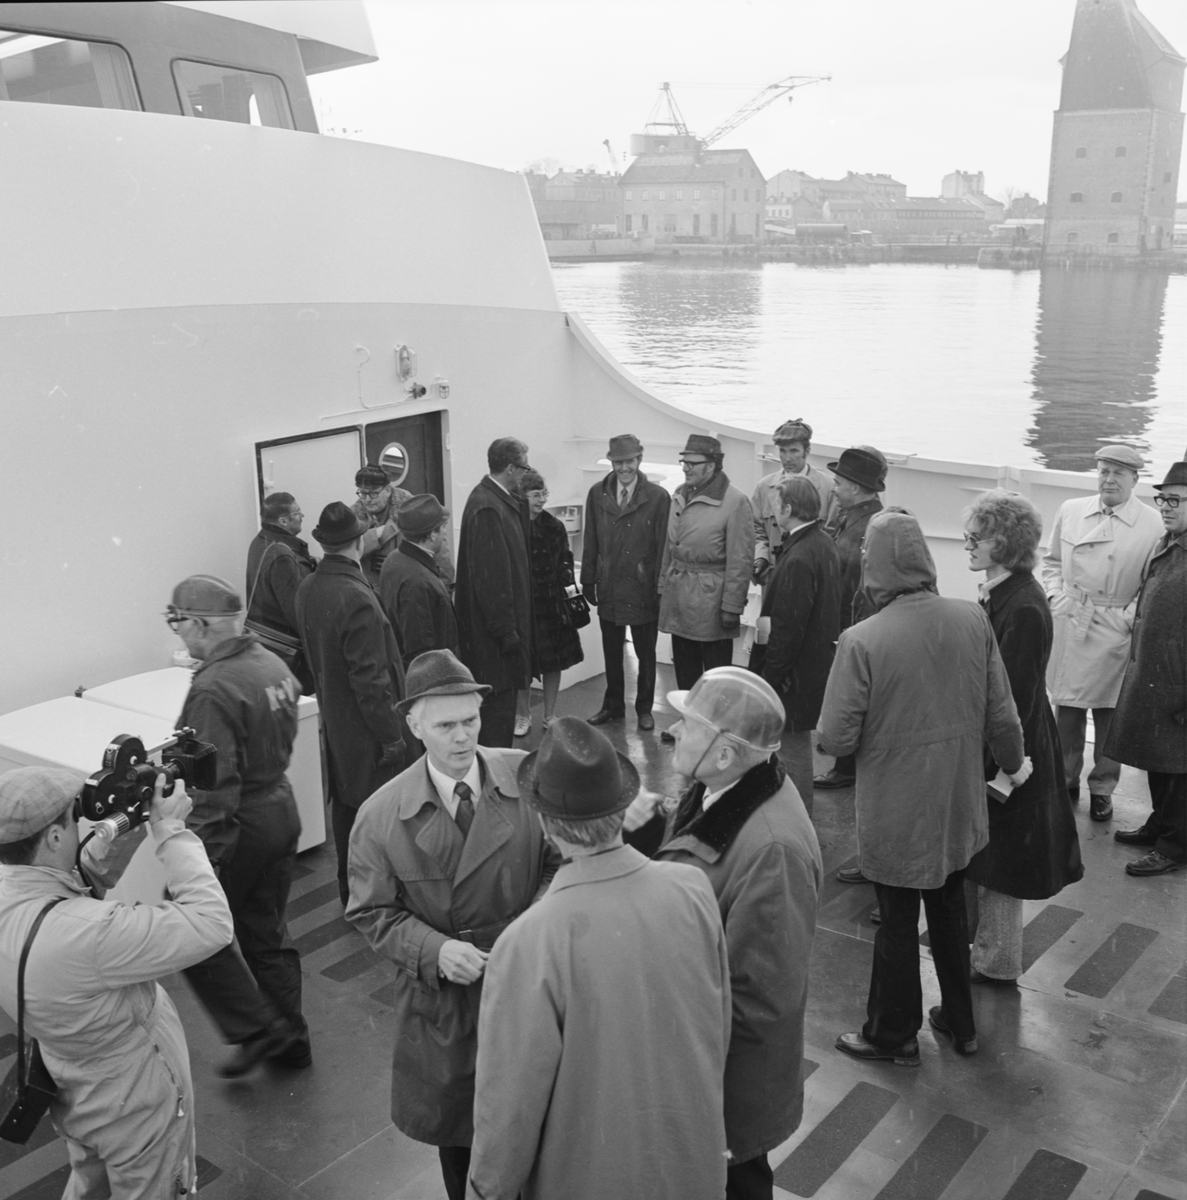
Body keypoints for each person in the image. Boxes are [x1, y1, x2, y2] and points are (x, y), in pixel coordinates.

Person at [466, 718, 731, 1200]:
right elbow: (717, 1028)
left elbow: (510, 1105)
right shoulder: (692, 888)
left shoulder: (529, 941)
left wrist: (486, 1191)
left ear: (545, 824)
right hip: (692, 1167)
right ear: (624, 807)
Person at [346, 650, 561, 1200]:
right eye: (445, 726)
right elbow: (371, 911)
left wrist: (532, 925)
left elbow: (560, 860)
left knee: (540, 1125)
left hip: (527, 982)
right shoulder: (379, 816)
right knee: (462, 1137)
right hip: (445, 1002)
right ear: (414, 726)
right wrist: (435, 951)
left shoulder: (527, 775)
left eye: (471, 720)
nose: (463, 737)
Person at [819, 511, 1027, 1066]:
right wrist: (1013, 766)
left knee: (896, 921)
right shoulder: (972, 618)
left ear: (875, 566)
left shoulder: (861, 640)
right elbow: (1003, 715)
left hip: (896, 809)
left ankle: (893, 1036)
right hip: (958, 801)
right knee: (950, 911)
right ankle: (962, 1025)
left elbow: (836, 738)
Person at [0, 766, 233, 1197]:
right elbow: (211, 923)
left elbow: (66, 887)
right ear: (55, 838)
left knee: (91, 1179)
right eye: (72, 819)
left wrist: (131, 822)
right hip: (132, 1098)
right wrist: (171, 831)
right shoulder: (88, 934)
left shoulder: (12, 889)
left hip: (72, 1081)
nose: (80, 823)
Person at [645, 667, 822, 1200]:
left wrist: (682, 1078)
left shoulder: (773, 852)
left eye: (688, 724)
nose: (674, 730)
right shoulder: (726, 788)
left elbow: (757, 1002)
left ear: (724, 753)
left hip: (726, 1091)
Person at [167, 574, 312, 1077]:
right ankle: (292, 1040)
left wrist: (200, 860)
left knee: (189, 923)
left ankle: (256, 1030)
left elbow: (212, 784)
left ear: (200, 624)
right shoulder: (269, 663)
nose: (178, 634)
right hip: (280, 809)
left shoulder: (212, 689)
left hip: (240, 823)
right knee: (266, 933)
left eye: (177, 623)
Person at [962, 492, 1084, 984]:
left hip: (1015, 756)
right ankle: (986, 953)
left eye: (977, 537)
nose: (967, 545)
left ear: (1005, 544)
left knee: (1001, 863)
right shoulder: (1006, 594)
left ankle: (997, 964)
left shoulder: (1025, 608)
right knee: (991, 856)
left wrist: (1000, 765)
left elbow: (1012, 699)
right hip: (1011, 748)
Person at [1041, 445, 1163, 822]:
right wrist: (1055, 595)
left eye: (1118, 473)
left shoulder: (1153, 524)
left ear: (1135, 479)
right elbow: (1051, 562)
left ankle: (1103, 788)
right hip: (1072, 616)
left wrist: (1127, 618)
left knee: (1110, 712)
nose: (1109, 480)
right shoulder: (1071, 510)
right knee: (1068, 709)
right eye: (1104, 471)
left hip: (1115, 623)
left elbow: (1152, 583)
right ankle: (1064, 780)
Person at [296, 502, 408, 905]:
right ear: (359, 542)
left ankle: (351, 892)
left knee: (346, 810)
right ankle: (379, 899)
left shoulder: (309, 587)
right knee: (382, 816)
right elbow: (371, 680)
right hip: (369, 729)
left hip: (337, 724)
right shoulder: (355, 596)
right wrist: (392, 736)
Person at [1104, 460, 1187, 877]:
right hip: (1157, 677)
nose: (1165, 508)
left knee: (1180, 770)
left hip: (1179, 683)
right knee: (1158, 759)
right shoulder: (1168, 542)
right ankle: (1161, 825)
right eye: (1162, 499)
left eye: (1175, 500)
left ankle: (1176, 846)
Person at [658, 434, 755, 736]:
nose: (685, 468)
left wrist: (732, 606)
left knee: (715, 677)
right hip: (679, 593)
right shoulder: (679, 494)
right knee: (684, 667)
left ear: (712, 466)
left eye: (692, 463)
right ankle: (689, 726)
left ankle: (714, 732)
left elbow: (741, 558)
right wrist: (662, 587)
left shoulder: (735, 502)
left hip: (712, 601)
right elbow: (669, 548)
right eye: (683, 462)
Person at [758, 476, 840, 815]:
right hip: (813, 665)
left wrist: (770, 678)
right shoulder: (822, 543)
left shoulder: (798, 557)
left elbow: (787, 629)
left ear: (789, 508)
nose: (772, 511)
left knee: (791, 750)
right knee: (795, 745)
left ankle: (798, 821)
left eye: (776, 505)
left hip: (792, 675)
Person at [582, 434, 670, 732]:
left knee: (646, 653)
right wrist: (588, 579)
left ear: (639, 459)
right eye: (618, 462)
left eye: (629, 461)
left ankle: (645, 708)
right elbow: (590, 539)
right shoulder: (597, 494)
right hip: (609, 586)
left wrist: (660, 587)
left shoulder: (658, 497)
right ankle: (612, 705)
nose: (624, 468)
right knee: (611, 651)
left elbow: (663, 547)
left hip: (643, 589)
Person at [815, 446, 886, 794]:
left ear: (856, 488)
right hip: (846, 624)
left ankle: (846, 767)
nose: (833, 488)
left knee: (852, 696)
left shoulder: (869, 527)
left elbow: (861, 588)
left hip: (853, 627)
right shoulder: (856, 518)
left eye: (838, 482)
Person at [455, 438, 534, 747]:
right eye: (524, 467)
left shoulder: (493, 500)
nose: (526, 473)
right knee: (495, 729)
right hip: (494, 648)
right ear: (511, 468)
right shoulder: (489, 508)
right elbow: (492, 582)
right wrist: (508, 634)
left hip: (495, 641)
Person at [513, 471, 583, 735]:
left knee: (554, 662)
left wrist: (571, 598)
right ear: (522, 496)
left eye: (544, 494)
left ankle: (550, 715)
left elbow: (565, 561)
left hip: (552, 606)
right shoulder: (512, 525)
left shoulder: (555, 526)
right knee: (522, 664)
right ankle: (523, 715)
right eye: (536, 495)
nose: (542, 500)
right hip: (522, 606)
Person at [244, 490, 316, 694]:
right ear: (283, 521)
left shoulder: (259, 541)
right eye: (297, 512)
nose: (302, 516)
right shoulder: (282, 554)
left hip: (262, 645)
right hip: (287, 653)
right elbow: (296, 612)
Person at [378, 493, 458, 668]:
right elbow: (421, 651)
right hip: (428, 675)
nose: (445, 532)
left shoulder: (394, 558)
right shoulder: (417, 581)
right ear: (432, 534)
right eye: (443, 527)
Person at [751, 418, 834, 585]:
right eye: (782, 451)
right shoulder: (765, 487)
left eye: (794, 451)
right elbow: (756, 528)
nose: (787, 458)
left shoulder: (828, 487)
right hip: (773, 576)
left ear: (807, 451)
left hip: (812, 577)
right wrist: (761, 558)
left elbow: (833, 533)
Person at [352, 462, 413, 587]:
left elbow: (435, 548)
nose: (367, 500)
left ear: (388, 490)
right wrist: (378, 533)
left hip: (409, 584)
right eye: (363, 493)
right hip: (374, 588)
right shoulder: (355, 514)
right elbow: (351, 549)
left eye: (374, 493)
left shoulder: (411, 508)